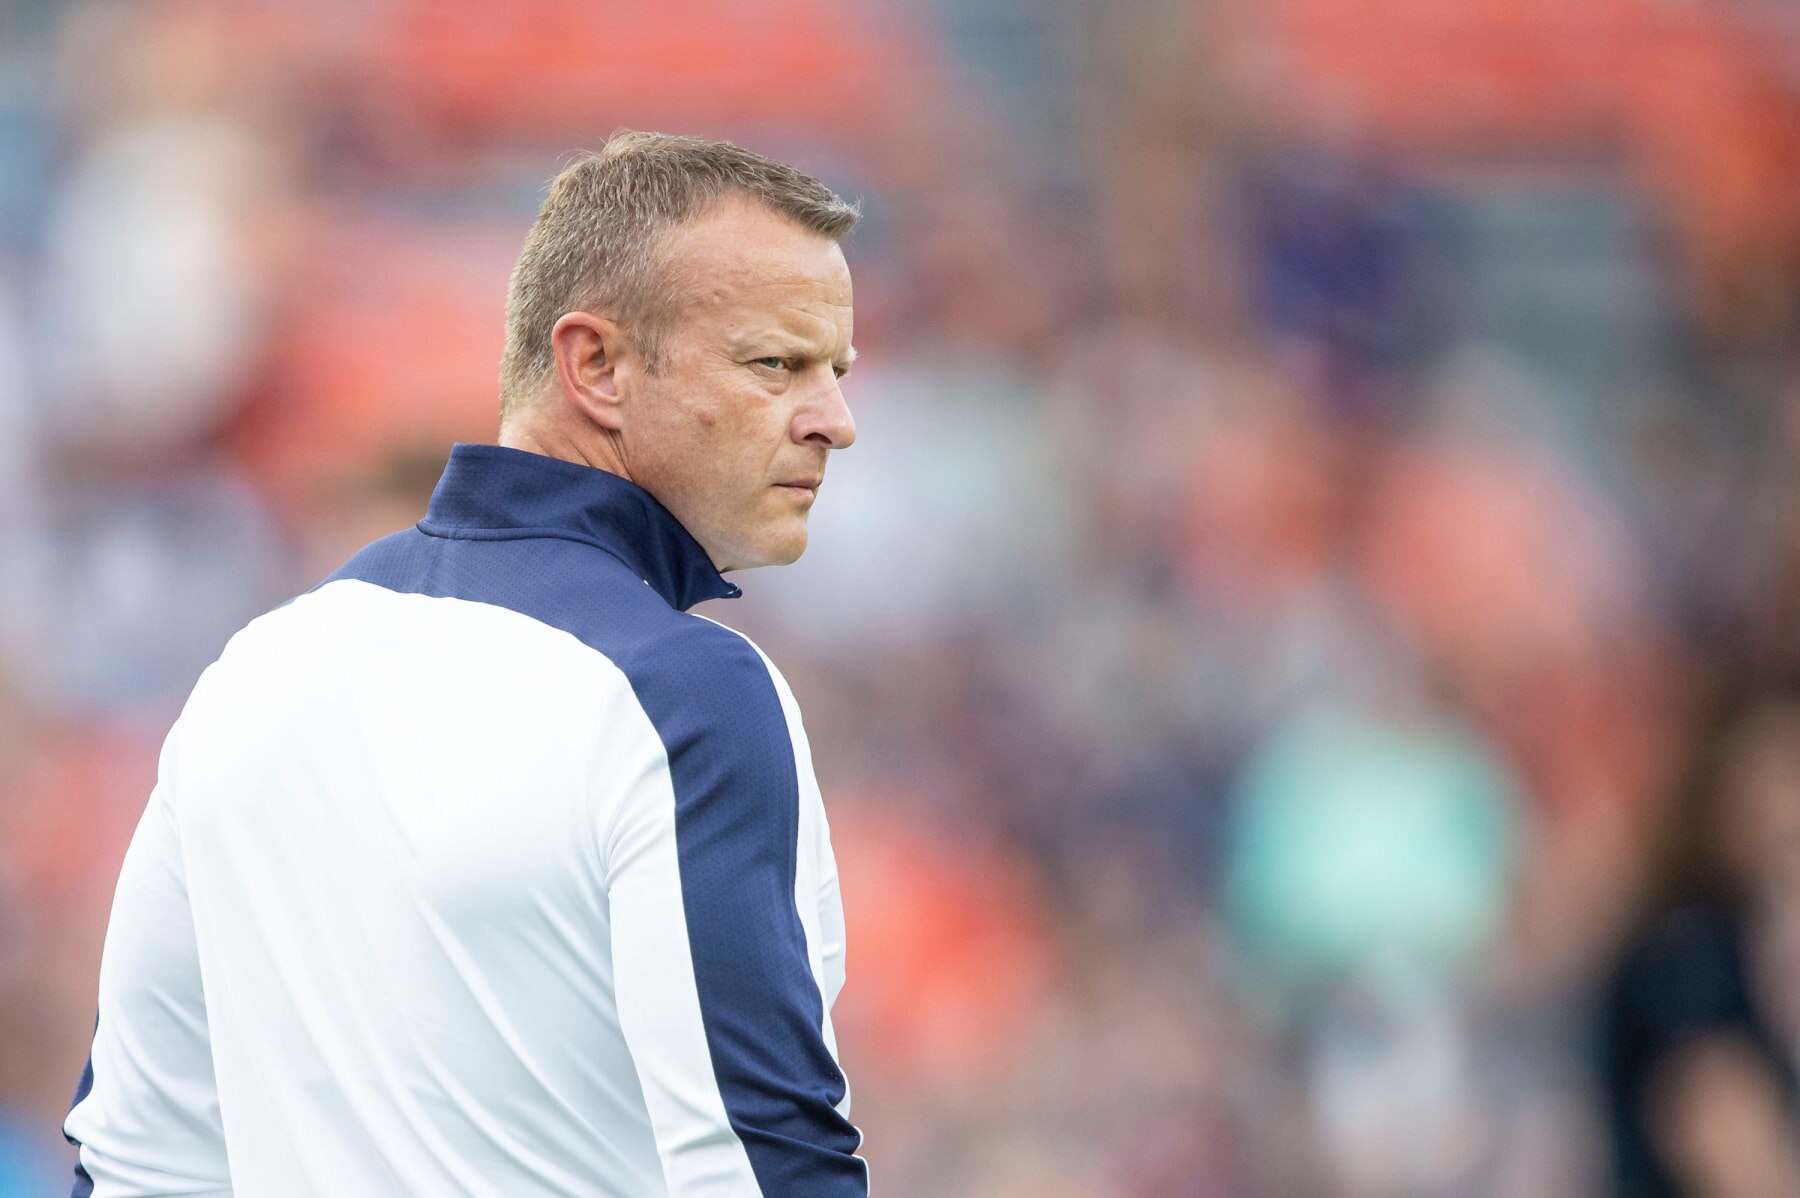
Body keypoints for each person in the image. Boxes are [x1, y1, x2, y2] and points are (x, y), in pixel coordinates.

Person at [63, 132, 868, 1197]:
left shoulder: (252, 671)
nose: (836, 422)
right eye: (779, 364)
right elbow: (768, 1163)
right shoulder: (687, 691)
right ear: (596, 365)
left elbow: (133, 1166)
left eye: (836, 371)